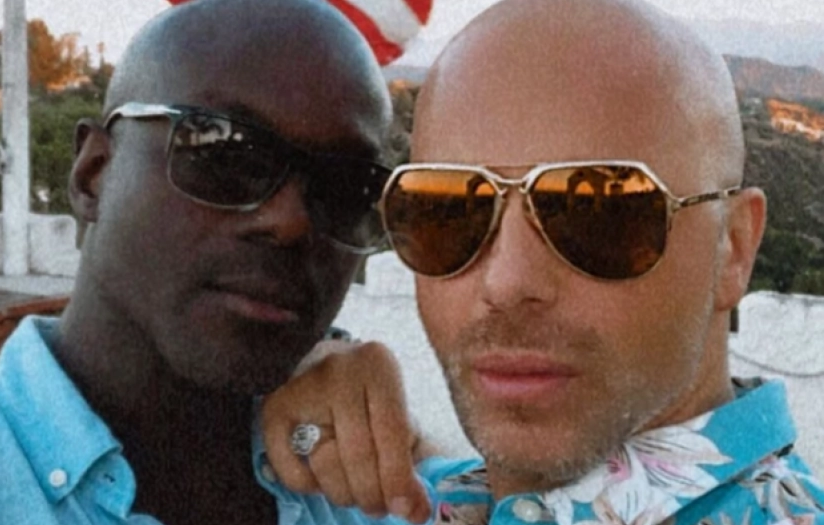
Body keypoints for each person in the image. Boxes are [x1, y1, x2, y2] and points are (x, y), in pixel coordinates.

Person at [261, 0, 824, 523]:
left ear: (734, 248)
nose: (506, 282)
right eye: (446, 210)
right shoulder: (408, 497)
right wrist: (297, 378)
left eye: (599, 213)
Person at [0, 0, 429, 523]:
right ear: (93, 173)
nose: (290, 222)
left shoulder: (372, 500)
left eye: (347, 188)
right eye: (223, 152)